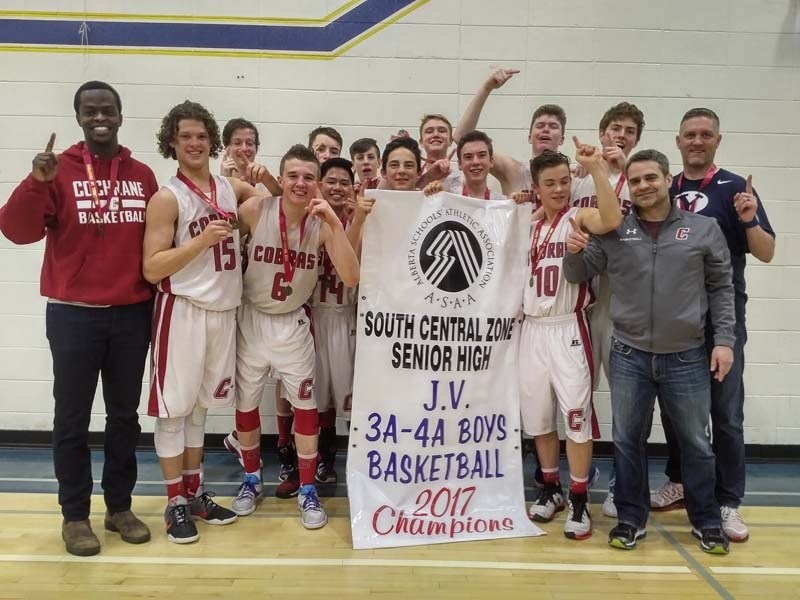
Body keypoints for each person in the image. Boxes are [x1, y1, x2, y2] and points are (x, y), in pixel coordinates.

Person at [0, 81, 156, 557]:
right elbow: (17, 231)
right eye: (90, 111)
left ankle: (119, 507)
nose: (99, 117)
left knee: (125, 418)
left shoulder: (142, 174)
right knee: (71, 419)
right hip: (72, 316)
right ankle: (74, 516)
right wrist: (36, 184)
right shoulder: (57, 171)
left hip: (131, 313)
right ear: (79, 118)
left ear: (121, 116)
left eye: (107, 110)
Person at [563, 149, 736, 555]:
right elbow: (576, 274)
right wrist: (572, 249)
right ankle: (629, 519)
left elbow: (721, 288)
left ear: (668, 179)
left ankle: (708, 521)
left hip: (686, 356)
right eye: (636, 180)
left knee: (696, 442)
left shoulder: (704, 229)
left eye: (650, 178)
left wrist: (724, 341)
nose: (643, 186)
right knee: (627, 440)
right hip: (629, 355)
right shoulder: (615, 231)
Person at [649, 108, 776, 542]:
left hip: (721, 321)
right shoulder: (664, 186)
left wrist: (748, 219)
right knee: (674, 412)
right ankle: (681, 480)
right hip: (672, 321)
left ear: (718, 140)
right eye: (690, 135)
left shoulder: (736, 188)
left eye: (706, 135)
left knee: (724, 415)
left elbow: (766, 252)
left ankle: (727, 502)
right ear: (678, 141)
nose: (697, 141)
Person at [143, 100, 258, 544]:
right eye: (185, 136)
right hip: (183, 311)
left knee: (201, 409)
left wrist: (257, 177)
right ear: (172, 142)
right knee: (174, 411)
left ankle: (195, 492)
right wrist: (201, 241)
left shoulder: (228, 188)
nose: (194, 143)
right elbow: (152, 268)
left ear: (212, 141)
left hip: (223, 311)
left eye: (201, 135)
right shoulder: (167, 197)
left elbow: (266, 202)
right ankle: (174, 502)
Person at [230, 145, 360, 528]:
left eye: (308, 177)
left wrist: (335, 223)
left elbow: (352, 277)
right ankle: (252, 479)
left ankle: (307, 489)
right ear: (282, 179)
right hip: (252, 319)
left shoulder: (322, 223)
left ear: (315, 183)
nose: (300, 183)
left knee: (305, 407)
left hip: (293, 323)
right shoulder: (256, 210)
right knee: (247, 405)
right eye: (293, 176)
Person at [520, 143, 622, 540]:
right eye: (551, 183)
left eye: (565, 181)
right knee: (539, 419)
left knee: (577, 419)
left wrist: (594, 167)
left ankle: (580, 497)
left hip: (568, 327)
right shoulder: (528, 225)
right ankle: (552, 488)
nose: (560, 189)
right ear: (537, 187)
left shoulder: (577, 218)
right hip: (531, 329)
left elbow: (611, 218)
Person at [569, 101, 646, 519]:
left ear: (636, 139)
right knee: (576, 395)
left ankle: (623, 484)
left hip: (620, 304)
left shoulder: (640, 182)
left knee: (625, 401)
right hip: (578, 300)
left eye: (629, 130)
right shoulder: (579, 177)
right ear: (601, 132)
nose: (620, 135)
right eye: (615, 127)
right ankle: (580, 475)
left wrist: (619, 172)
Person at [310, 157, 361, 484]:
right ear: (320, 184)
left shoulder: (361, 218)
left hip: (348, 316)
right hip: (314, 316)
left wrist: (359, 219)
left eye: (344, 182)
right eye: (331, 181)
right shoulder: (309, 218)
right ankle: (324, 460)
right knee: (319, 397)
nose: (338, 188)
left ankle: (358, 462)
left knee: (352, 394)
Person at [453, 68, 567, 196]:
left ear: (562, 139)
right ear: (529, 137)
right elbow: (461, 137)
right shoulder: (514, 171)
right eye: (540, 126)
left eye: (553, 126)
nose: (546, 129)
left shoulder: (568, 177)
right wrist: (487, 88)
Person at [424, 130, 504, 200]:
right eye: (468, 157)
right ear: (459, 164)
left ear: (491, 161)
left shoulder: (502, 204)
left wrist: (516, 203)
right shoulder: (446, 198)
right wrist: (430, 192)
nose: (475, 162)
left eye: (482, 155)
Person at [220, 118, 282, 195]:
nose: (244, 148)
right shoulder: (216, 183)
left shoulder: (267, 185)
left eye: (249, 143)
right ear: (227, 147)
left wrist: (268, 180)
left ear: (256, 148)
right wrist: (225, 181)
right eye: (237, 143)